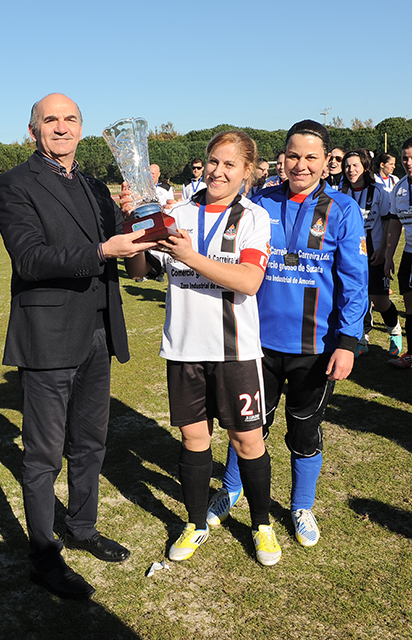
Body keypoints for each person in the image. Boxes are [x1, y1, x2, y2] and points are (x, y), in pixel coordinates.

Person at [0, 93, 155, 599]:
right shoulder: (15, 184)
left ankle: (82, 528)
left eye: (70, 119)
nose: (60, 128)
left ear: (82, 128)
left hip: (99, 332)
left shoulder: (92, 184)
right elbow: (30, 260)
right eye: (50, 120)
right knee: (43, 455)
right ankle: (43, 555)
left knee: (91, 443)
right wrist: (104, 248)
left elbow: (131, 260)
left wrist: (134, 219)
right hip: (48, 337)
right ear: (33, 130)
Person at [206, 120, 368, 549]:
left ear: (327, 162)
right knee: (248, 425)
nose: (300, 164)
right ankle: (231, 489)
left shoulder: (344, 210)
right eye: (293, 155)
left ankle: (301, 504)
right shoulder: (258, 204)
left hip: (315, 348)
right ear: (282, 157)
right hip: (256, 341)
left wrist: (348, 342)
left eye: (311, 157)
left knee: (304, 429)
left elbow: (355, 281)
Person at [128, 130, 282, 567]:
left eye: (229, 164)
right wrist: (134, 227)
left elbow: (249, 281)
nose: (217, 171)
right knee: (195, 439)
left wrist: (191, 256)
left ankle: (262, 526)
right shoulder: (177, 213)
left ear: (247, 172)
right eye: (213, 161)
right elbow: (140, 271)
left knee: (247, 441)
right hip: (184, 348)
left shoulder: (254, 217)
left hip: (235, 352)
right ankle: (196, 523)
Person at [341, 149, 401, 357]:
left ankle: (394, 332)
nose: (350, 170)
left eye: (355, 165)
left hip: (374, 253)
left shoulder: (379, 192)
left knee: (379, 299)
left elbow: (388, 224)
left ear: (365, 167)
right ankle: (361, 337)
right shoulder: (342, 192)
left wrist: (384, 250)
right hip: (350, 256)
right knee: (355, 296)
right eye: (347, 166)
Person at [385, 137, 412, 368]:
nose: (409, 162)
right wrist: (388, 256)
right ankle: (411, 354)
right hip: (409, 255)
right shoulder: (400, 187)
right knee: (409, 304)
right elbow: (395, 224)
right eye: (405, 158)